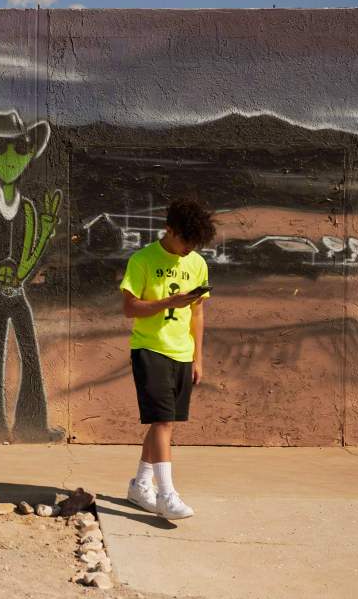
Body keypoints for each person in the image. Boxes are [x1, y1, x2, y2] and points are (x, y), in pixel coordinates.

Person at [119, 198, 216, 520]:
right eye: (185, 240)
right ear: (169, 230)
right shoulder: (142, 259)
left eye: (195, 243)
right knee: (162, 421)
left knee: (166, 423)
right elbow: (130, 307)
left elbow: (198, 312)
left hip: (182, 353)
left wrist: (198, 358)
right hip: (150, 348)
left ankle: (140, 486)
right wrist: (166, 302)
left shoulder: (197, 263)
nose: (189, 248)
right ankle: (167, 494)